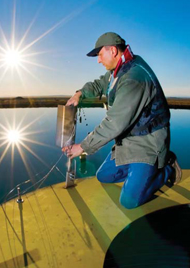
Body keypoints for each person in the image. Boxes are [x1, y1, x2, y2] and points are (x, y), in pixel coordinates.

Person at [63, 32, 182, 209]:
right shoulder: (118, 70)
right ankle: (142, 172)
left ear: (112, 50)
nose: (98, 60)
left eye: (100, 55)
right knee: (104, 176)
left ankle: (167, 169)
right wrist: (80, 93)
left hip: (148, 142)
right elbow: (99, 84)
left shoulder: (134, 78)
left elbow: (115, 123)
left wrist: (82, 147)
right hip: (128, 141)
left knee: (129, 201)